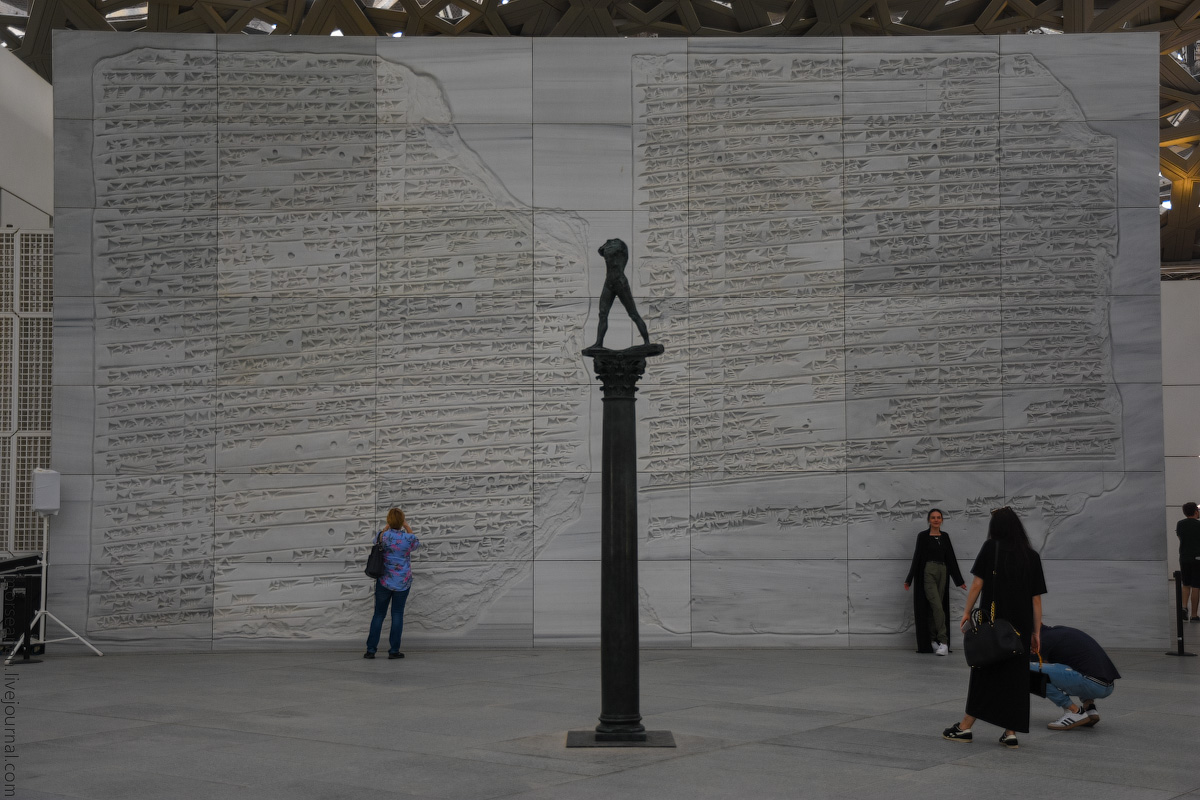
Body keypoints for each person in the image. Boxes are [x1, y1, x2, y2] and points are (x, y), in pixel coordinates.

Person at [943, 506, 1046, 749]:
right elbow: (1036, 599)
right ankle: (1010, 732)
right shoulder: (1031, 556)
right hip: (1019, 628)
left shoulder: (991, 548)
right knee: (1014, 678)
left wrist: (967, 612)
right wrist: (1036, 632)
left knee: (985, 672)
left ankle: (965, 727)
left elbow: (978, 583)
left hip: (994, 624)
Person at [1030, 624, 1120, 730]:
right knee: (1074, 664)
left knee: (1027, 671)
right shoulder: (1059, 631)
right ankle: (1089, 708)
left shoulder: (1042, 640)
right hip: (1107, 686)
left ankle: (1074, 711)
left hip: (1092, 685)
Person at [903, 508, 966, 656]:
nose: (936, 520)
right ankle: (943, 642)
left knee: (935, 607)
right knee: (937, 606)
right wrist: (909, 579)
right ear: (929, 520)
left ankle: (933, 640)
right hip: (928, 571)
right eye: (933, 518)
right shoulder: (923, 536)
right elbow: (917, 557)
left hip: (943, 572)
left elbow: (950, 558)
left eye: (938, 517)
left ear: (942, 520)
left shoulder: (945, 537)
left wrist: (959, 581)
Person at [364, 508, 420, 660]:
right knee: (397, 614)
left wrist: (387, 526)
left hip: (384, 581)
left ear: (389, 521)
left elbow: (376, 540)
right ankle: (394, 650)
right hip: (402, 582)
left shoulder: (383, 536)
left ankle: (371, 650)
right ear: (402, 521)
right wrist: (406, 526)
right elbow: (416, 544)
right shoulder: (408, 538)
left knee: (378, 615)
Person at [590, 238, 651, 349]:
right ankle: (599, 343)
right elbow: (600, 251)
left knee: (633, 314)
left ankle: (647, 341)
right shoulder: (608, 246)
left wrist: (608, 246)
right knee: (602, 314)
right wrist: (606, 244)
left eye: (610, 242)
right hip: (609, 283)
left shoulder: (620, 245)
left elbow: (609, 252)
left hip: (620, 282)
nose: (608, 243)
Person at [1177, 502, 1200, 621]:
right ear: (1196, 511)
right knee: (1196, 586)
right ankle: (1194, 615)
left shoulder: (1180, 524)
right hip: (1197, 558)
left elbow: (1180, 538)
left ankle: (1184, 608)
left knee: (1185, 584)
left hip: (1184, 557)